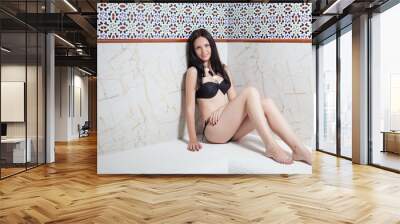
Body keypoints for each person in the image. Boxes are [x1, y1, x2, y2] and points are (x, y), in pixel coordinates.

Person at [184, 28, 311, 165]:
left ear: (212, 46)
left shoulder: (223, 69)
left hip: (232, 130)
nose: (204, 51)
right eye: (198, 48)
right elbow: (190, 108)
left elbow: (233, 100)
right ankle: (271, 146)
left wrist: (222, 109)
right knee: (250, 91)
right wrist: (192, 139)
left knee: (267, 103)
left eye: (206, 45)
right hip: (214, 131)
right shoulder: (193, 72)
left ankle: (298, 149)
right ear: (194, 51)